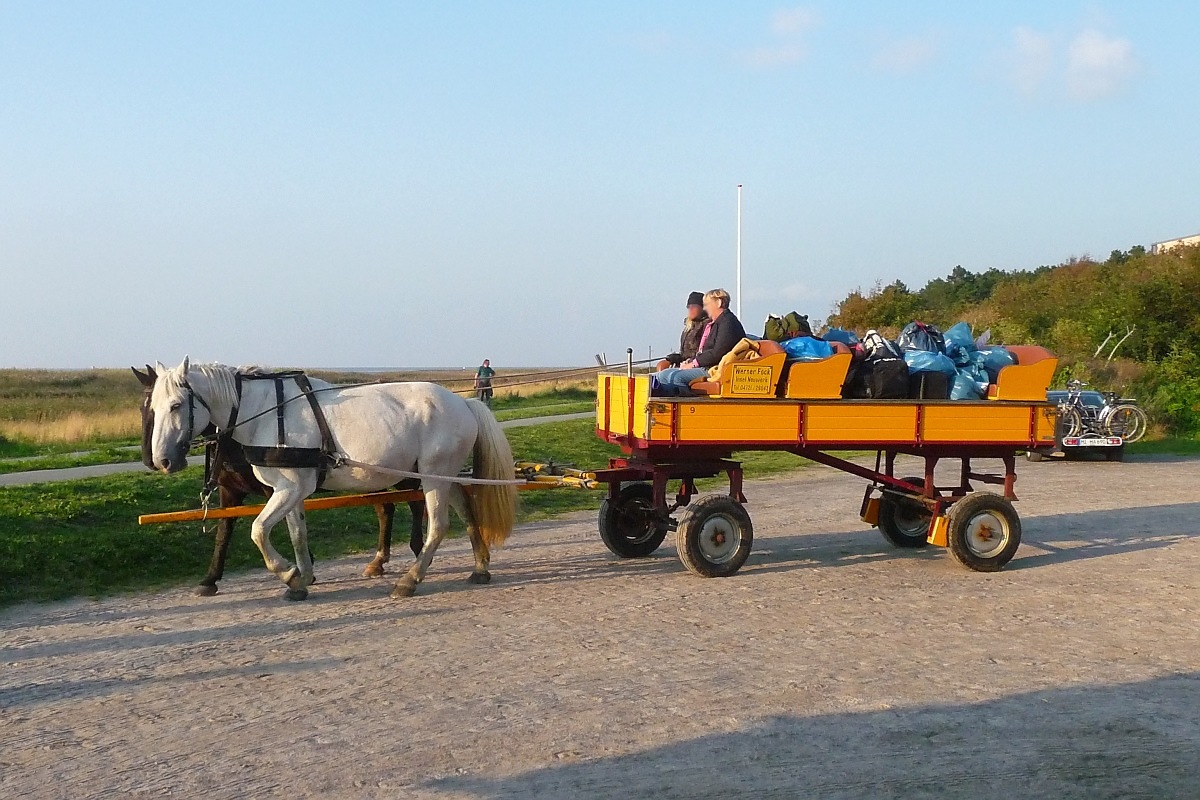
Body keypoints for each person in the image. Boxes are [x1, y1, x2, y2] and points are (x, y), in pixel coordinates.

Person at [654, 288, 746, 395]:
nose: (705, 308)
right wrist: (690, 361)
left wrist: (693, 364)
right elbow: (704, 351)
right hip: (707, 365)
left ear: (719, 303)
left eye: (707, 304)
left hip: (714, 368)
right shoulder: (717, 323)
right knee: (661, 375)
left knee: (674, 378)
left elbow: (717, 353)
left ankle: (685, 406)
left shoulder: (728, 323)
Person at [658, 291, 709, 370]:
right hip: (684, 363)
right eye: (688, 306)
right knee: (661, 366)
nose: (690, 309)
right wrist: (677, 357)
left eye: (694, 306)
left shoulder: (707, 325)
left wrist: (681, 358)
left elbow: (703, 351)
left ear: (702, 308)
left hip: (696, 364)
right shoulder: (688, 327)